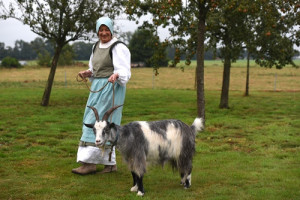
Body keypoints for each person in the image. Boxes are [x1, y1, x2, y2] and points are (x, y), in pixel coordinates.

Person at [72, 16, 131, 175]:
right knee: (92, 120)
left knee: (103, 122)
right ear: (97, 31)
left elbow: (124, 70)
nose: (103, 33)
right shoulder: (95, 46)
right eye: (101, 30)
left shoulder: (118, 47)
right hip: (98, 86)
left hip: (111, 88)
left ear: (111, 31)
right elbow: (95, 69)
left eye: (106, 30)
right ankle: (101, 163)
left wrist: (117, 75)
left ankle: (97, 163)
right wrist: (87, 73)